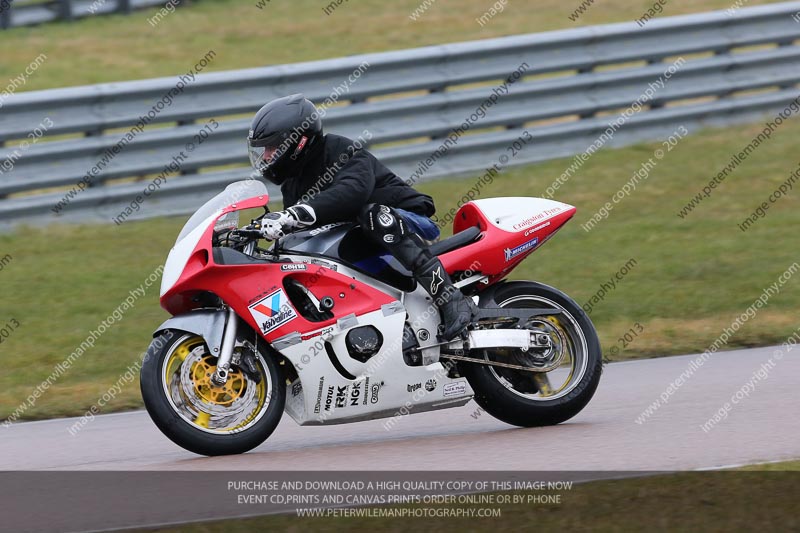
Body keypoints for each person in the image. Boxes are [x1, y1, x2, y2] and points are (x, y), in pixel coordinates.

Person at [246, 93, 476, 341]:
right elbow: (299, 233)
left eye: (272, 147)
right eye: (264, 150)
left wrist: (295, 214)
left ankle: (450, 298)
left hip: (408, 222)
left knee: (374, 214)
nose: (267, 156)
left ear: (297, 141)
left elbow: (352, 193)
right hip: (363, 236)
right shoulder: (292, 183)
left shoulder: (339, 150)